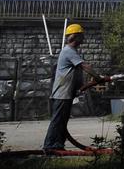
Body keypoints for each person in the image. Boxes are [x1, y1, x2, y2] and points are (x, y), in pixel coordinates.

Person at [43, 24, 106, 153]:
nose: (83, 38)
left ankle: (58, 146)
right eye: (81, 36)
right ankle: (49, 147)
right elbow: (85, 67)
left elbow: (75, 73)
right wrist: (98, 78)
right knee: (58, 121)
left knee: (62, 121)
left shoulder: (71, 52)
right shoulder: (68, 51)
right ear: (75, 37)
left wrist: (84, 85)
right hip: (62, 94)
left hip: (66, 93)